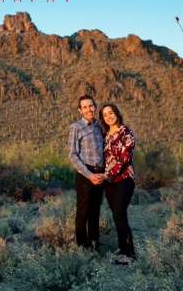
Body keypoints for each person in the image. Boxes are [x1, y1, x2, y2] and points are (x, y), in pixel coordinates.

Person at [99, 103, 136, 265]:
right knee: (118, 215)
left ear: (117, 113)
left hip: (124, 178)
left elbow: (124, 159)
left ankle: (130, 254)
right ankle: (123, 251)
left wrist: (108, 174)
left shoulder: (126, 133)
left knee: (119, 214)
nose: (109, 116)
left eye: (111, 113)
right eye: (105, 115)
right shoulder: (105, 135)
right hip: (109, 182)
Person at [68, 95, 107, 249]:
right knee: (83, 212)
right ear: (80, 110)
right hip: (86, 174)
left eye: (91, 106)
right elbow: (72, 154)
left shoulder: (99, 127)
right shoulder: (76, 127)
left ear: (95, 107)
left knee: (95, 213)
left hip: (100, 174)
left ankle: (94, 247)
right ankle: (82, 248)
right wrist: (89, 175)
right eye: (85, 107)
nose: (89, 109)